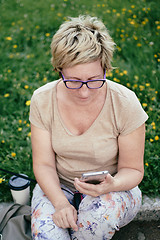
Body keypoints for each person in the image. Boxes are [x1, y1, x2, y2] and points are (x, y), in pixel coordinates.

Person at [29, 15, 148, 240]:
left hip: (114, 187)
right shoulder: (42, 100)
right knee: (48, 235)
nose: (84, 92)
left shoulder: (125, 102)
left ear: (105, 69)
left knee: (93, 225)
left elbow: (133, 170)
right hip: (59, 185)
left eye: (94, 80)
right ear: (59, 70)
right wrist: (60, 203)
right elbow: (43, 164)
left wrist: (111, 185)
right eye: (73, 81)